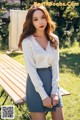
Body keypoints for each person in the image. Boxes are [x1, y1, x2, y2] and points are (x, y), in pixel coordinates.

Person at [18, 5, 64, 120]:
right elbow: (31, 70)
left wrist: (54, 92)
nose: (40, 22)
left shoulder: (54, 39)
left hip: (52, 83)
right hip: (35, 86)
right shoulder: (27, 42)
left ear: (47, 18)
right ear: (31, 22)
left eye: (43, 17)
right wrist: (44, 96)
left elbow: (55, 66)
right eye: (36, 19)